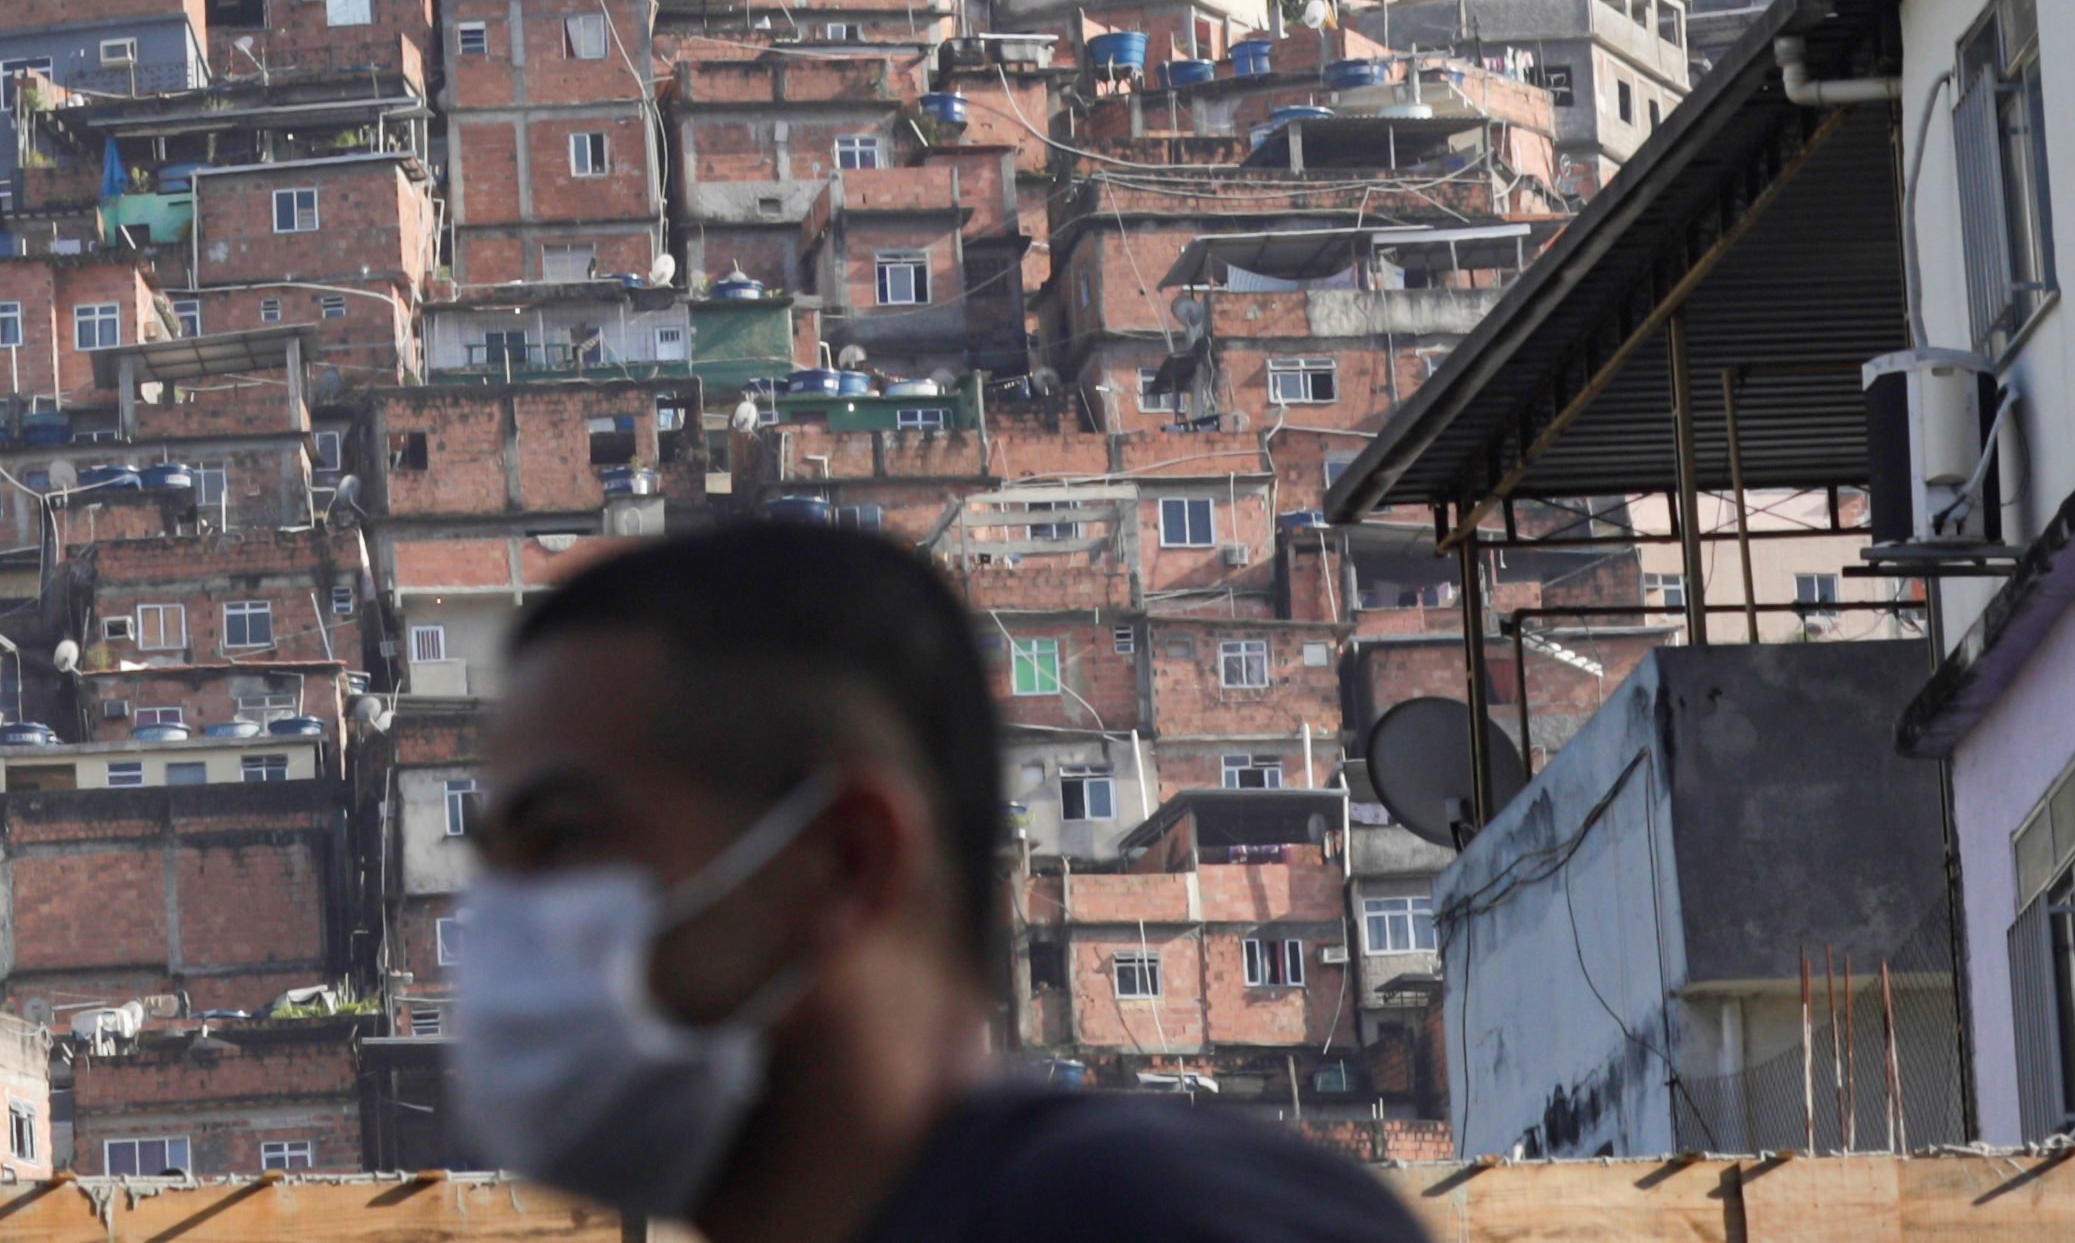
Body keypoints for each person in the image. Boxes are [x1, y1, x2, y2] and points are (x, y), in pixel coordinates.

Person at [455, 521, 1431, 1243]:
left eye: (562, 839)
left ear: (844, 858)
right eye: (492, 864)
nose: (500, 923)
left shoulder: (1127, 1213)